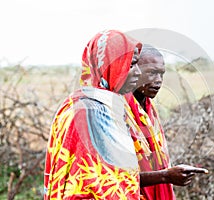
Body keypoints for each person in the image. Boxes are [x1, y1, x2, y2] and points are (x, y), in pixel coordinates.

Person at [44, 30, 143, 199]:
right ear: (110, 67)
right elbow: (88, 181)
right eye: (131, 65)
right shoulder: (87, 113)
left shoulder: (107, 107)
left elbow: (120, 175)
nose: (139, 72)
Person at [125, 44, 208, 200]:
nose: (158, 81)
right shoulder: (117, 111)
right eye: (151, 73)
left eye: (161, 74)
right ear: (133, 71)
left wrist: (168, 175)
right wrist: (165, 176)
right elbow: (112, 175)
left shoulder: (148, 110)